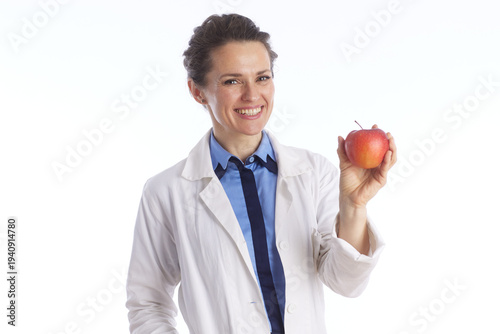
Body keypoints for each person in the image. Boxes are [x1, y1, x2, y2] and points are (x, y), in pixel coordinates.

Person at [126, 13, 397, 334]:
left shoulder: (313, 173)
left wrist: (354, 207)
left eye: (262, 78)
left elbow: (346, 283)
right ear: (198, 92)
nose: (252, 95)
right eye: (232, 81)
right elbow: (148, 302)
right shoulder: (166, 191)